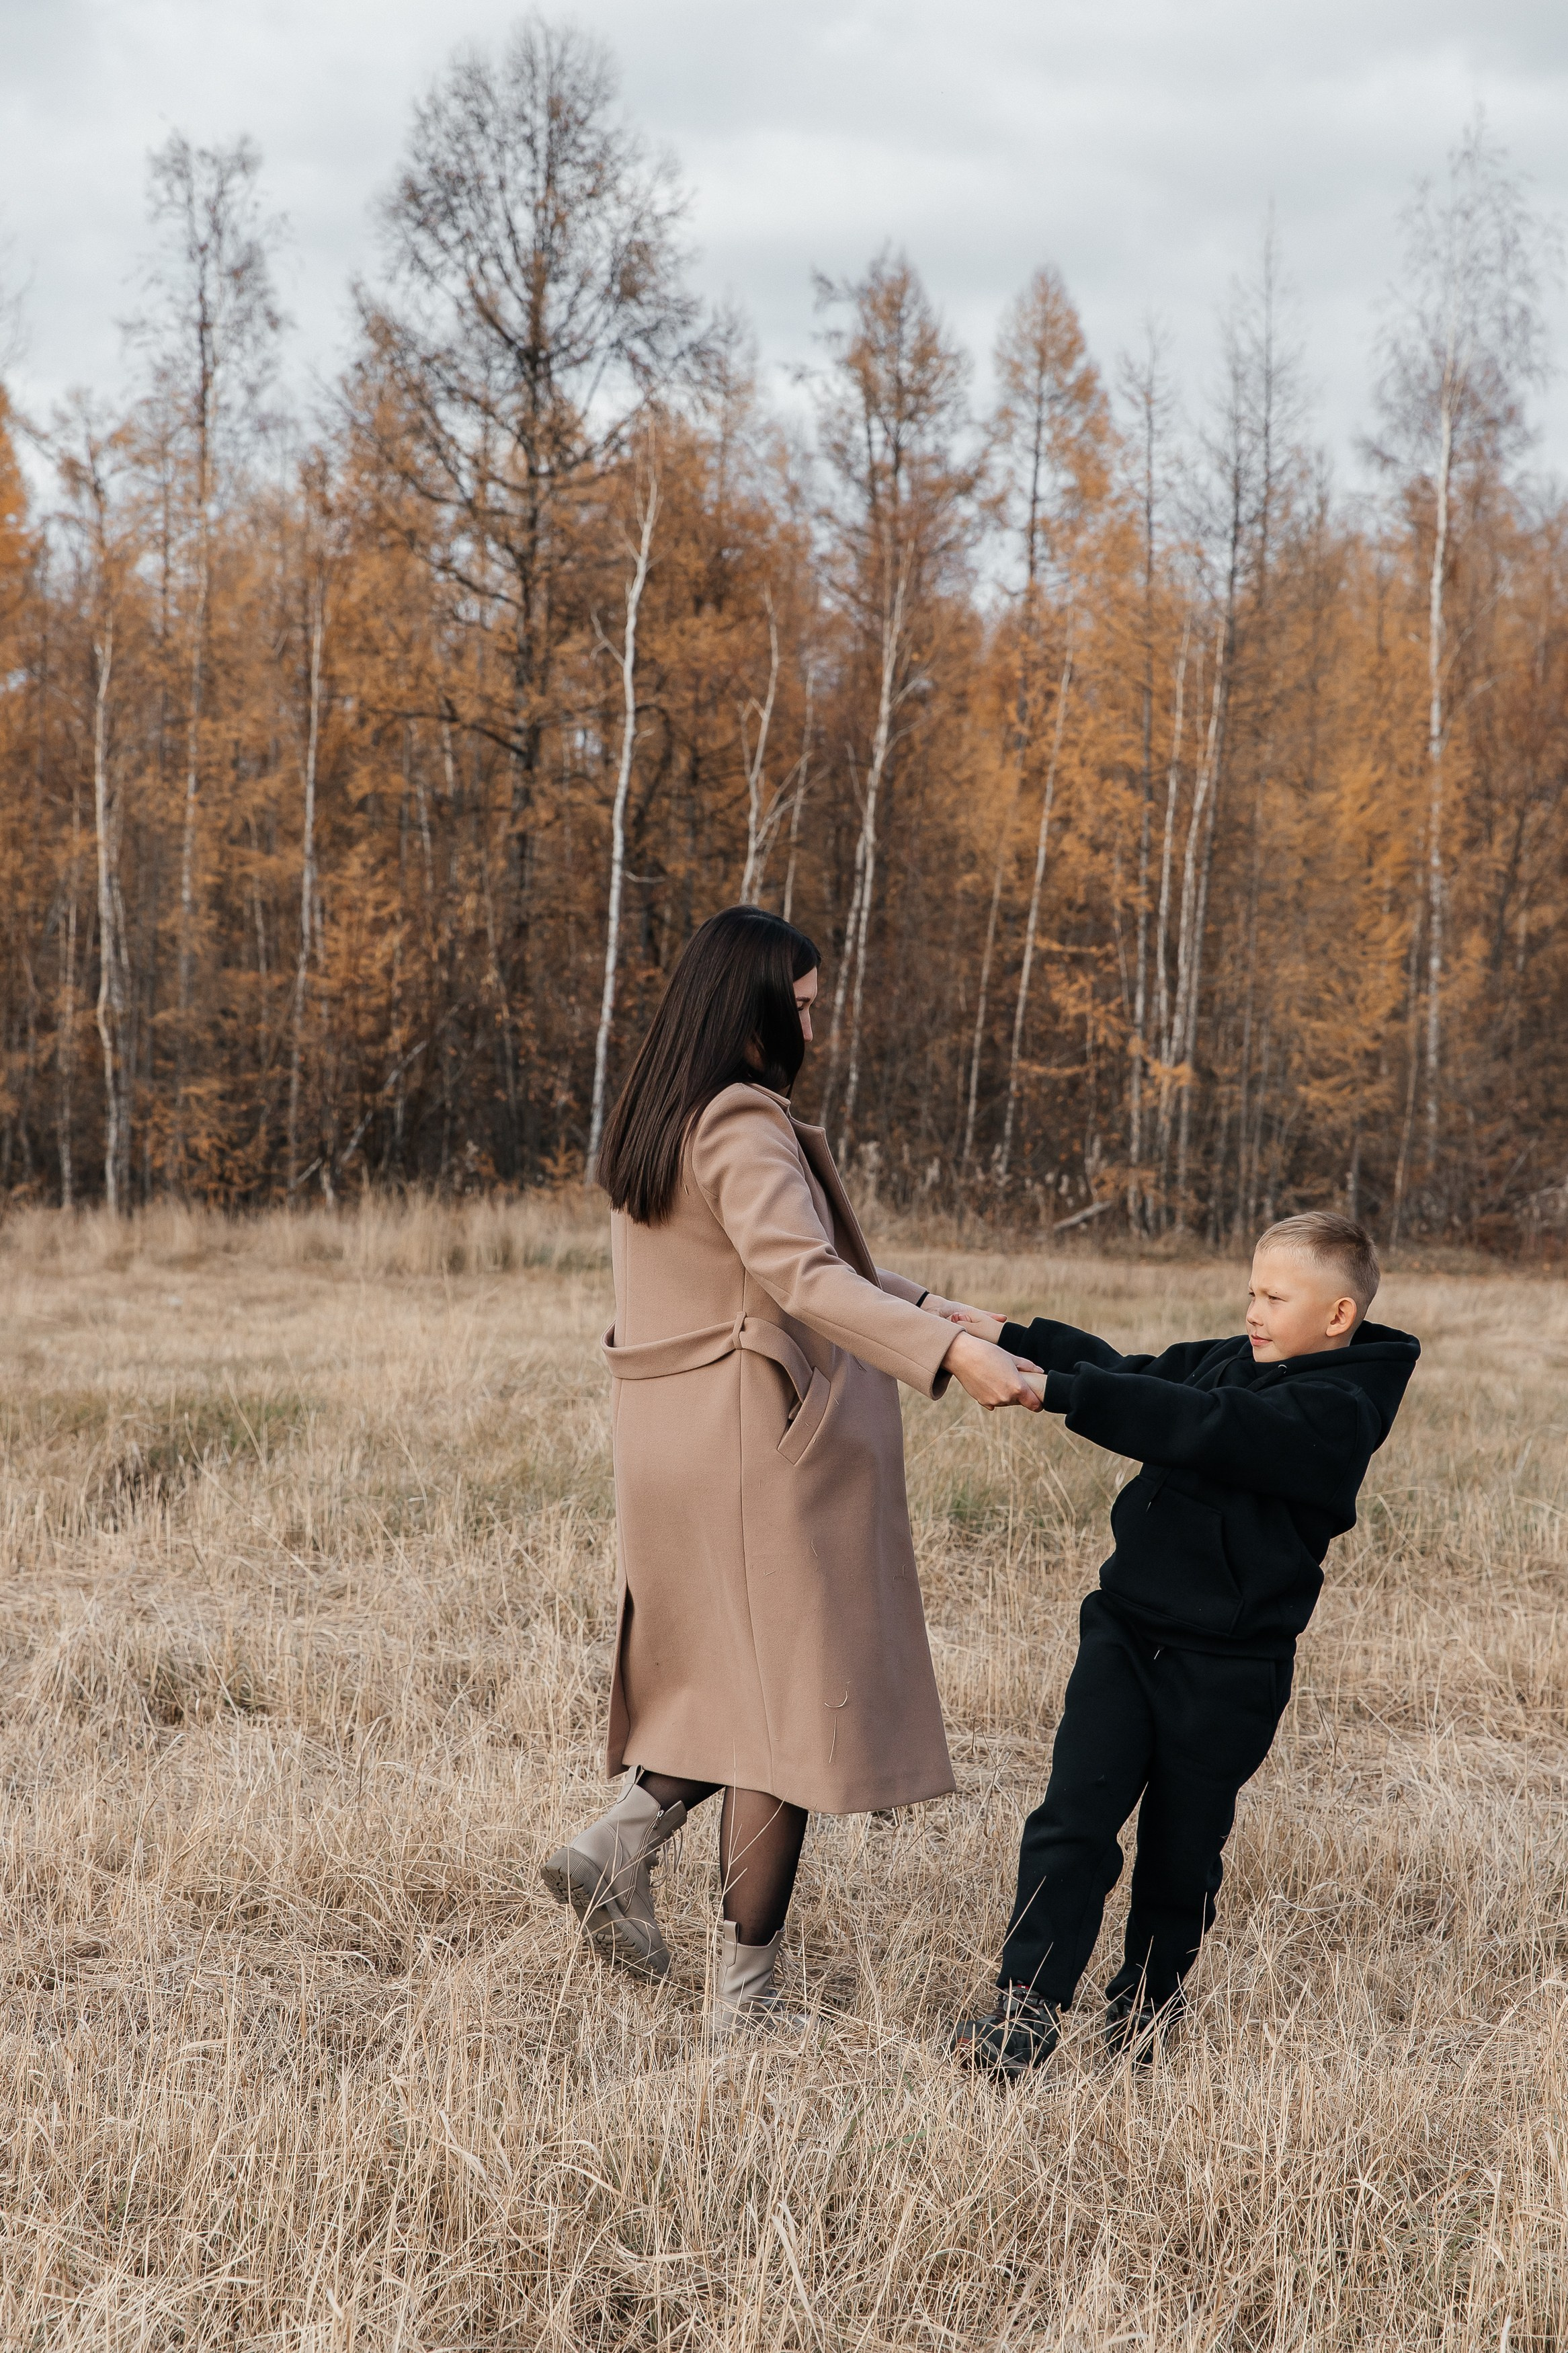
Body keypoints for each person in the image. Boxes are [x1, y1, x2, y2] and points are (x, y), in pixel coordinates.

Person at [542, 906, 1038, 2037]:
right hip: (753, 1446)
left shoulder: (660, 1116)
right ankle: (743, 2009)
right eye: (803, 1004)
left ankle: (613, 1847)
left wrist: (930, 1304)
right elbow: (801, 1280)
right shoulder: (740, 1123)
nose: (813, 1024)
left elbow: (770, 1266)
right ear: (754, 1002)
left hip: (673, 1442)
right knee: (783, 1724)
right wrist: (949, 1352)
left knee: (727, 1692)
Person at [949, 1211, 1419, 2078]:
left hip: (1229, 1668)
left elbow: (1204, 1426)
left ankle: (1143, 2017)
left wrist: (1055, 1395)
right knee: (1071, 1821)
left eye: (1276, 1296)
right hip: (1127, 1631)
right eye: (1251, 1290)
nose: (1254, 1309)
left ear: (1339, 1315)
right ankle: (1024, 2012)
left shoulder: (1341, 1411)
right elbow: (1140, 1375)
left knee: (1181, 1851)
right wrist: (1010, 1338)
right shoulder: (1232, 1361)